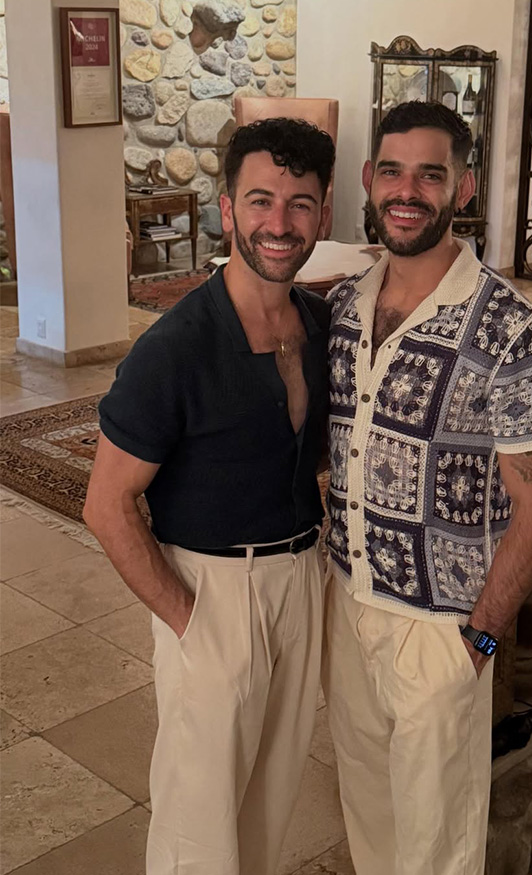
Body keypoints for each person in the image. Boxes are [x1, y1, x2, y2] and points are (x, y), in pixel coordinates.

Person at [84, 117, 335, 875]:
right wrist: (190, 620)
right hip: (212, 588)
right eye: (260, 201)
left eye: (299, 202)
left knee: (268, 805)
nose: (279, 222)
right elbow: (106, 504)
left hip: (300, 578)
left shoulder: (320, 324)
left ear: (324, 213)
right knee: (199, 826)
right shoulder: (175, 348)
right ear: (227, 210)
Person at [323, 101, 532, 875]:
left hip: (439, 630)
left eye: (432, 174)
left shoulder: (513, 330)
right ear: (369, 179)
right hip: (348, 603)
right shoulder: (342, 308)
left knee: (434, 849)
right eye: (392, 170)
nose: (408, 190)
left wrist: (482, 640)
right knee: (369, 817)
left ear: (462, 188)